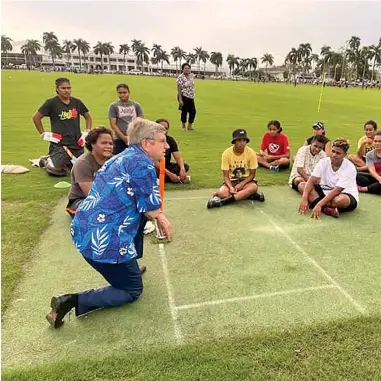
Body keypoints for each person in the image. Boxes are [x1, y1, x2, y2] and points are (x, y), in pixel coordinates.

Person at [46, 118, 172, 329]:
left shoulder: (121, 158)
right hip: (104, 241)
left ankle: (127, 267)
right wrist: (161, 218)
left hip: (83, 228)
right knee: (132, 290)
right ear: (147, 143)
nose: (166, 146)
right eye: (162, 140)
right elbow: (151, 208)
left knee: (137, 219)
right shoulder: (143, 165)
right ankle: (70, 301)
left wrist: (155, 214)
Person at [32, 78, 92, 176]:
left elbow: (88, 118)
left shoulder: (77, 102)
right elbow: (36, 118)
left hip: (76, 144)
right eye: (63, 88)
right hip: (59, 145)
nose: (66, 90)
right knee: (57, 171)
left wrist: (86, 133)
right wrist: (43, 134)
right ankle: (46, 160)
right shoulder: (51, 103)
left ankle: (68, 161)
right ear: (57, 89)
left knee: (82, 170)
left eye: (68, 88)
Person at [299, 138, 358, 219]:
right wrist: (304, 198)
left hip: (344, 194)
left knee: (339, 200)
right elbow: (311, 181)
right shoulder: (323, 162)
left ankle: (320, 205)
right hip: (325, 191)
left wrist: (319, 204)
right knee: (302, 185)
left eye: (338, 153)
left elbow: (337, 190)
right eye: (333, 151)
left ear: (345, 154)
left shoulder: (350, 167)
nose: (334, 155)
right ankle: (327, 209)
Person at [206, 129, 264, 209]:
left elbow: (252, 174)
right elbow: (226, 176)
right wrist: (231, 187)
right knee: (223, 193)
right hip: (231, 181)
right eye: (239, 140)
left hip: (247, 181)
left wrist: (241, 184)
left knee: (253, 187)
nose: (242, 143)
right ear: (234, 142)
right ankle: (248, 195)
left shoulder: (251, 153)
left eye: (244, 140)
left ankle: (222, 202)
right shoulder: (226, 153)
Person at [66, 127, 114, 217]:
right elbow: (91, 194)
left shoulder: (114, 161)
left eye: (110, 143)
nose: (108, 146)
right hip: (81, 199)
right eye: (104, 143)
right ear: (92, 144)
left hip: (106, 196)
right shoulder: (83, 163)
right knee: (97, 211)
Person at [108, 83, 144, 155]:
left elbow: (140, 122)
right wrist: (124, 138)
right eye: (120, 93)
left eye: (124, 92)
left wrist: (132, 136)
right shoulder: (114, 106)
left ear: (129, 92)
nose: (122, 95)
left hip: (134, 139)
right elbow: (113, 124)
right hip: (119, 139)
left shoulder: (136, 105)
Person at [155, 118, 190, 183]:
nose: (164, 130)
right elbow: (154, 162)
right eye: (161, 128)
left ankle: (166, 178)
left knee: (185, 166)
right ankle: (175, 178)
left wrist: (182, 169)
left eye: (166, 128)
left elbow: (178, 157)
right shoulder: (151, 140)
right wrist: (170, 174)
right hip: (155, 166)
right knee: (151, 171)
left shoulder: (170, 140)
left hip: (166, 165)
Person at [176, 63, 196, 131]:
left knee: (193, 111)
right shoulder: (180, 77)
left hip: (191, 97)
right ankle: (183, 126)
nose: (187, 69)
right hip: (184, 96)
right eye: (185, 68)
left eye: (188, 68)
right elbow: (179, 88)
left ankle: (189, 126)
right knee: (184, 111)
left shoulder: (191, 76)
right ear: (182, 69)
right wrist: (180, 100)